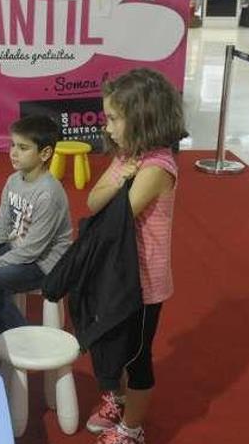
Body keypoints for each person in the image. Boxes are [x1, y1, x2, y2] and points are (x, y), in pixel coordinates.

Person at [84, 68, 187, 444]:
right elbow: (93, 201)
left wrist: (119, 180)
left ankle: (132, 428)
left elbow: (115, 217)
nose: (107, 128)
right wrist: (118, 175)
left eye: (113, 118)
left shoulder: (158, 166)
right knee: (113, 346)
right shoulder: (128, 157)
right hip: (117, 274)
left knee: (136, 358)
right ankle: (118, 399)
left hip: (143, 283)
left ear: (141, 118)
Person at [0, 115, 73, 336]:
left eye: (23, 148)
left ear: (45, 154)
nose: (13, 152)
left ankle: (21, 338)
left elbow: (33, 250)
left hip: (45, 264)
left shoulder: (48, 193)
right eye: (13, 145)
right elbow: (2, 223)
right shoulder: (13, 180)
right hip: (19, 248)